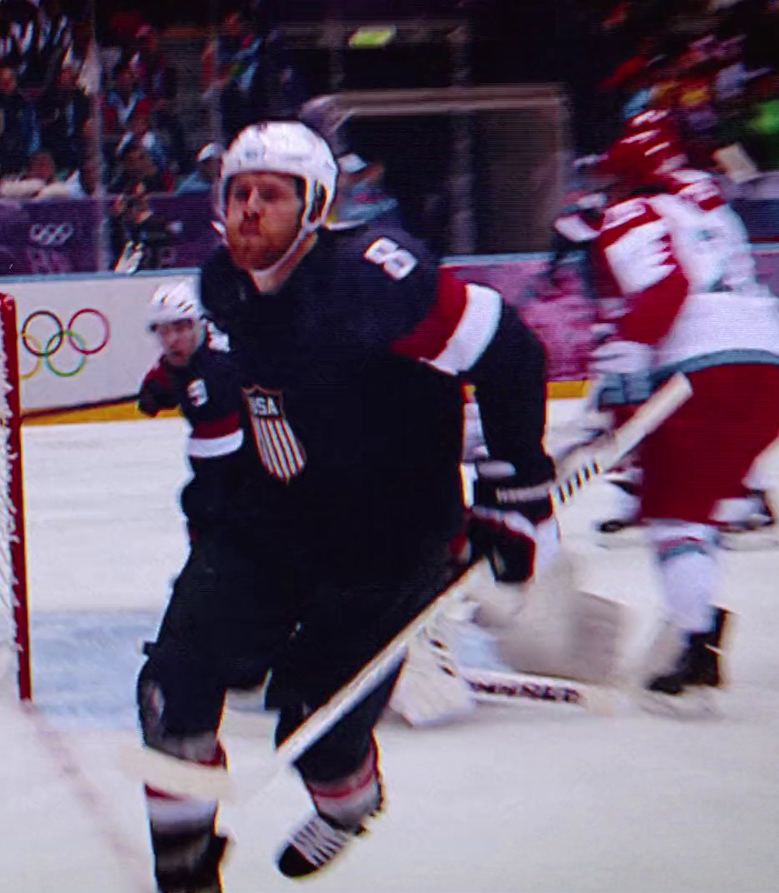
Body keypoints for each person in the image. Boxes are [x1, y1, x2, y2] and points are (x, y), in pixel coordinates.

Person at [135, 120, 559, 890]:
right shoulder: (222, 286)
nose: (250, 209)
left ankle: (348, 802)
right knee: (171, 688)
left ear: (317, 205)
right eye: (238, 193)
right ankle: (186, 869)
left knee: (315, 724)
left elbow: (514, 354)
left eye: (272, 194)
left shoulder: (373, 277)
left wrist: (512, 496)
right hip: (269, 522)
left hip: (387, 541)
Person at [583, 112, 779, 709]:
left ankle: (694, 647)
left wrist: (616, 377)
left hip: (704, 364)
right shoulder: (706, 202)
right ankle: (698, 618)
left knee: (673, 514)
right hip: (774, 358)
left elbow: (663, 289)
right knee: (695, 506)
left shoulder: (630, 211)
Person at [134, 281, 245, 541]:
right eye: (163, 331)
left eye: (180, 328)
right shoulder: (173, 365)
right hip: (204, 458)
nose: (171, 339)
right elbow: (151, 399)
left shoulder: (226, 360)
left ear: (198, 324)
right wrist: (155, 393)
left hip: (240, 459)